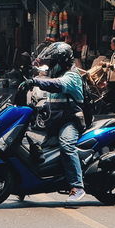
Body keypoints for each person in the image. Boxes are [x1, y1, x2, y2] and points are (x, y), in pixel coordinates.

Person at [21, 42, 87, 202]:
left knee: (66, 145)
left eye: (53, 62)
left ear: (62, 61)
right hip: (55, 121)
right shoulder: (56, 74)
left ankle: (77, 186)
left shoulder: (72, 76)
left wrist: (35, 82)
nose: (50, 65)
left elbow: (56, 86)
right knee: (36, 149)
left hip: (70, 121)